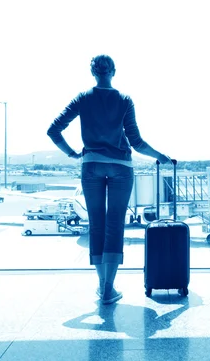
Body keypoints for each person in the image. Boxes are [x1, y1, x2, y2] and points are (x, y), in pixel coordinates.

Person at [47, 55, 171, 305]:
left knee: (96, 224)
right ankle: (108, 288)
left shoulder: (82, 99)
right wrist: (161, 156)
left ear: (92, 72)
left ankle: (101, 285)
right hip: (121, 167)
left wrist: (72, 153)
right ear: (114, 71)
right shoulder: (124, 100)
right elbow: (136, 143)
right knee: (114, 224)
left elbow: (53, 130)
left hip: (91, 165)